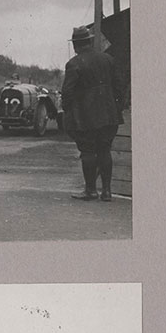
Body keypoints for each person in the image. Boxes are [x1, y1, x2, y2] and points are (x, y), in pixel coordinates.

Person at [61, 25, 125, 201]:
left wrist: (68, 110)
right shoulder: (108, 59)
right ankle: (107, 192)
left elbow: (67, 92)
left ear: (75, 44)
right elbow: (120, 87)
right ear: (89, 41)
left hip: (85, 117)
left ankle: (90, 191)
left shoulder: (73, 64)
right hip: (109, 114)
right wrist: (116, 107)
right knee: (105, 150)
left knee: (88, 151)